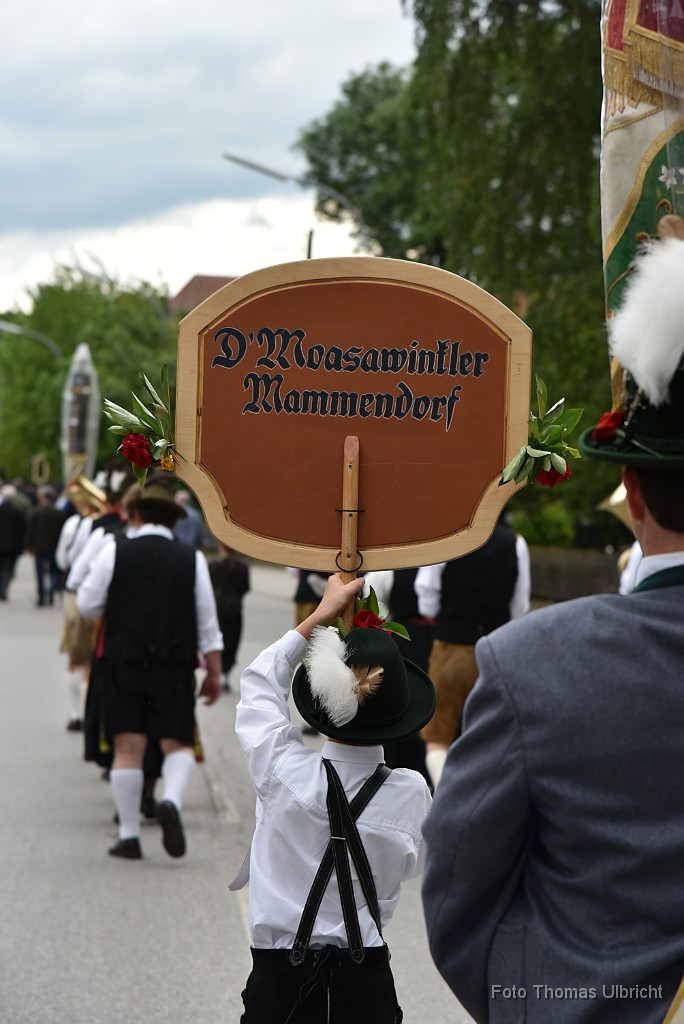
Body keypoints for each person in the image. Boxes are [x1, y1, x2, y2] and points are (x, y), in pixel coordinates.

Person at [421, 227, 684, 1023]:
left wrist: (538, 1003)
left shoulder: (533, 663)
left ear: (631, 493)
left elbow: (459, 890)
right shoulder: (524, 640)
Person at [233, 572, 435, 1023]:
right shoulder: (411, 792)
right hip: (366, 987)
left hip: (278, 983)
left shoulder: (282, 771)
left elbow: (259, 683)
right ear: (400, 713)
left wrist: (320, 615)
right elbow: (414, 866)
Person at [77, 482, 223, 860]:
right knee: (178, 741)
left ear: (136, 515)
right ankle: (170, 800)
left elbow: (88, 604)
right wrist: (214, 670)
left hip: (124, 659)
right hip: (173, 663)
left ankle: (128, 836)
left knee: (128, 746)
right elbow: (207, 621)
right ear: (174, 522)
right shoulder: (191, 559)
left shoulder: (115, 549)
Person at [415, 517, 531, 786]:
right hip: (496, 652)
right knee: (491, 738)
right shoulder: (516, 543)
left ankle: (445, 795)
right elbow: (520, 606)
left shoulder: (449, 536)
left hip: (451, 647)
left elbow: (427, 597)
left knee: (438, 736)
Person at [208, 542, 250, 691]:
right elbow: (245, 588)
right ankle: (225, 673)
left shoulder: (213, 565)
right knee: (232, 641)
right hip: (234, 608)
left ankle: (217, 671)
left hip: (217, 609)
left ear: (221, 547)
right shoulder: (242, 567)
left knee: (218, 641)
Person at [25, 484, 67, 606]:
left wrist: (29, 546)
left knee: (40, 573)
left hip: (39, 546)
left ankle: (42, 597)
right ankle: (51, 591)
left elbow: (30, 530)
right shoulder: (59, 513)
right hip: (54, 546)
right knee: (53, 571)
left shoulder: (36, 512)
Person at [0, 484, 27, 601]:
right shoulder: (17, 512)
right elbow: (23, 529)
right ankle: (4, 589)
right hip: (12, 546)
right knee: (8, 569)